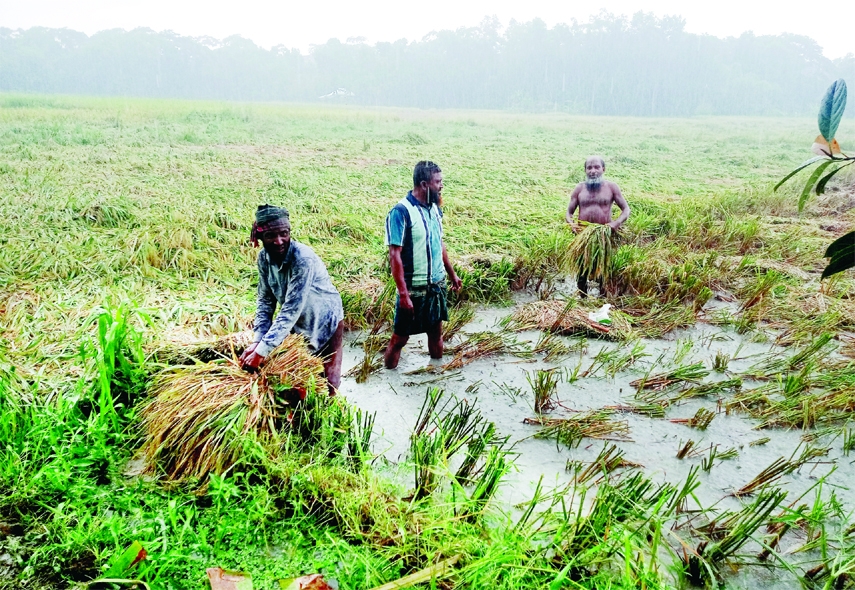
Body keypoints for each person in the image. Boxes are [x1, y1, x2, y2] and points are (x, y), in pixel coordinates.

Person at [239, 204, 344, 393]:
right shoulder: (264, 259)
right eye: (271, 236)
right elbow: (265, 302)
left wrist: (262, 351)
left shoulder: (302, 259)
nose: (279, 241)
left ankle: (334, 412)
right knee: (301, 381)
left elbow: (290, 309)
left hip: (325, 320)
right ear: (260, 237)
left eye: (284, 234)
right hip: (299, 325)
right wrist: (257, 341)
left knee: (330, 382)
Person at [383, 161, 462, 369]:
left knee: (436, 334)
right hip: (413, 289)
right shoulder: (401, 212)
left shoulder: (435, 209)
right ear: (425, 184)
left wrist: (452, 274)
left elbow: (439, 242)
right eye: (438, 182)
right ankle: (390, 376)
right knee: (400, 339)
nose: (442, 186)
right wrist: (403, 295)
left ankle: (436, 375)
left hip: (436, 286)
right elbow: (395, 255)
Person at [565, 156, 630, 297]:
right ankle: (583, 299)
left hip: (603, 236)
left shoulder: (611, 188)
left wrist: (615, 224)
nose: (593, 171)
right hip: (583, 237)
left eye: (596, 167)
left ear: (603, 169)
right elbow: (569, 213)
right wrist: (572, 224)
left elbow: (626, 210)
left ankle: (602, 299)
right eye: (589, 168)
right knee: (582, 271)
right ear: (585, 170)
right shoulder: (579, 189)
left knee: (602, 269)